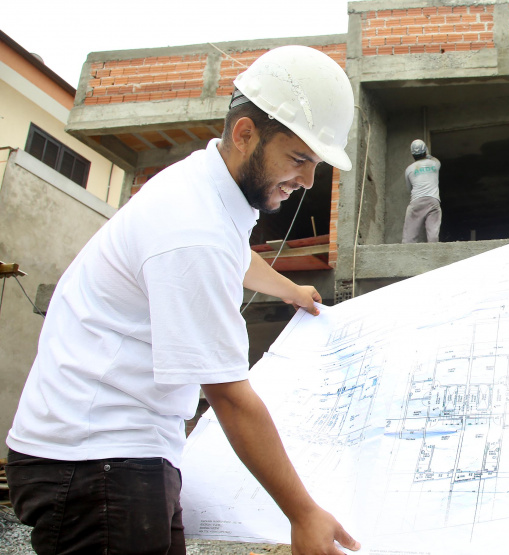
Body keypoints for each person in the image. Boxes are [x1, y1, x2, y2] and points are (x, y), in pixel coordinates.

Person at [5, 45, 361, 555]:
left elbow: (235, 256)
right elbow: (231, 399)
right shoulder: (192, 230)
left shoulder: (205, 186)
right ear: (245, 134)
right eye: (299, 159)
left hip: (111, 453)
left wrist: (289, 290)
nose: (307, 180)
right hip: (93, 461)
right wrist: (303, 513)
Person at [402, 139, 442, 243]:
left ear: (412, 154)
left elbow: (409, 189)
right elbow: (436, 160)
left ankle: (406, 255)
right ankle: (433, 253)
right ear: (426, 151)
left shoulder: (409, 169)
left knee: (409, 237)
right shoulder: (434, 164)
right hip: (433, 201)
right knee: (433, 233)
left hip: (417, 201)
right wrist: (429, 156)